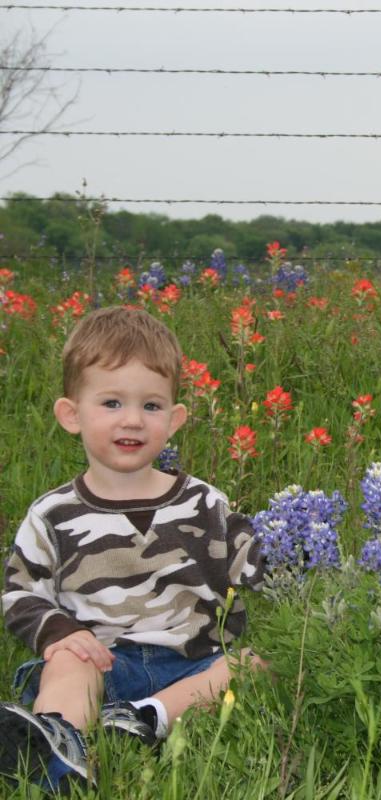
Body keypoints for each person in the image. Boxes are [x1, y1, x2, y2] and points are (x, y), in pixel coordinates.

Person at [0, 306, 264, 789]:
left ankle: (147, 718)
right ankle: (59, 741)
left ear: (175, 418)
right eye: (112, 403)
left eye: (151, 406)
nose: (133, 420)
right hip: (104, 662)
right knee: (67, 662)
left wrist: (294, 552)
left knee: (252, 664)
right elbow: (19, 593)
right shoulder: (53, 513)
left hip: (194, 661)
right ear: (70, 414)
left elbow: (252, 561)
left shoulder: (206, 501)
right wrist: (59, 631)